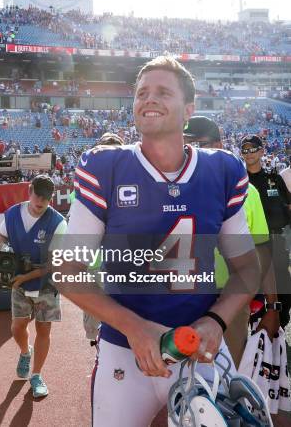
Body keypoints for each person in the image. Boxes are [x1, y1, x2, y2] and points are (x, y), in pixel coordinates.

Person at [58, 56, 259, 426]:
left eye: (163, 92)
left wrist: (216, 321)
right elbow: (67, 270)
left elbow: (248, 266)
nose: (149, 99)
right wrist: (135, 327)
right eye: (141, 93)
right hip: (125, 350)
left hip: (198, 346)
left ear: (189, 110)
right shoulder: (106, 168)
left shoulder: (222, 170)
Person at [183, 116, 279, 367]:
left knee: (227, 376)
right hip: (180, 298)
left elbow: (262, 251)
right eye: (185, 144)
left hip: (230, 299)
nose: (190, 151)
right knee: (177, 380)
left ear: (218, 145)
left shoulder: (247, 191)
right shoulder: (167, 188)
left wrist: (273, 307)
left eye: (199, 144)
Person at [0, 175, 66, 398]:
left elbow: (53, 264)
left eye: (46, 199)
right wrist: (4, 251)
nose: (41, 202)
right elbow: (1, 236)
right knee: (17, 327)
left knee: (44, 329)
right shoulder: (12, 214)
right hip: (19, 282)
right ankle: (25, 352)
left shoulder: (58, 223)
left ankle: (36, 375)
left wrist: (24, 278)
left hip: (46, 284)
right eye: (38, 196)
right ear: (30, 190)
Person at [240, 134, 291, 330]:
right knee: (253, 286)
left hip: (276, 241)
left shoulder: (274, 178)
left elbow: (286, 208)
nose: (249, 153)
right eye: (245, 149)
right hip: (251, 244)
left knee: (283, 285)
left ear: (262, 151)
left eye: (253, 148)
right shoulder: (239, 181)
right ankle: (254, 325)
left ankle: (281, 321)